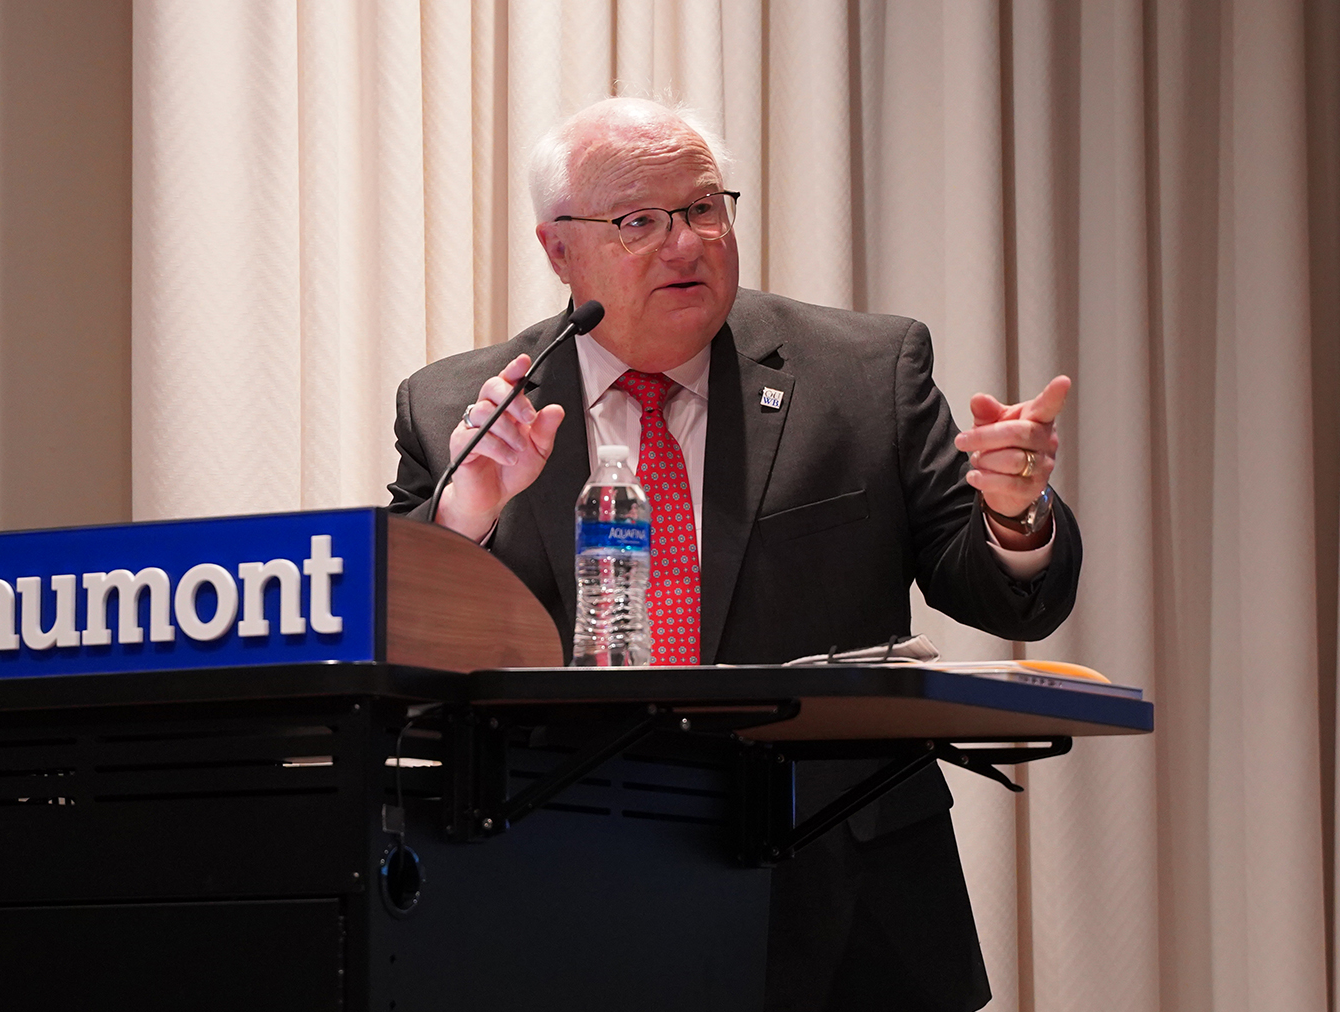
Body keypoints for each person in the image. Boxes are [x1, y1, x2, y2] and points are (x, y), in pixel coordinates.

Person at [389, 97, 1080, 1012]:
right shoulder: (458, 409)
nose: (686, 244)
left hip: (837, 886)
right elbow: (394, 642)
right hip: (554, 878)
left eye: (704, 208)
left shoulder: (865, 372)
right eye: (639, 221)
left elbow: (1005, 599)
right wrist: (467, 514)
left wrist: (1014, 514)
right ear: (560, 249)